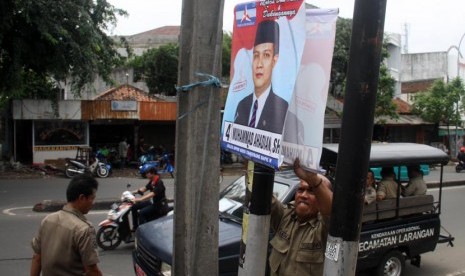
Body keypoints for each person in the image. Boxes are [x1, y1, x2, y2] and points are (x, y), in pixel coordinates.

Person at [269, 159, 333, 275]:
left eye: (312, 191)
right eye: (300, 190)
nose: (303, 195)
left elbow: (331, 212)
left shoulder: (325, 230)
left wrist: (314, 180)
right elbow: (261, 194)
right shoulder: (286, 216)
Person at [30, 175, 102, 276]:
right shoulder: (84, 229)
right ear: (81, 198)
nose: (93, 203)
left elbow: (37, 258)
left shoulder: (47, 220)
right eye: (92, 198)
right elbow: (91, 270)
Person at [234, 20, 289, 134]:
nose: (259, 64)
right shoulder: (241, 105)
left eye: (266, 55)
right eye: (256, 56)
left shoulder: (283, 109)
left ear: (274, 60)